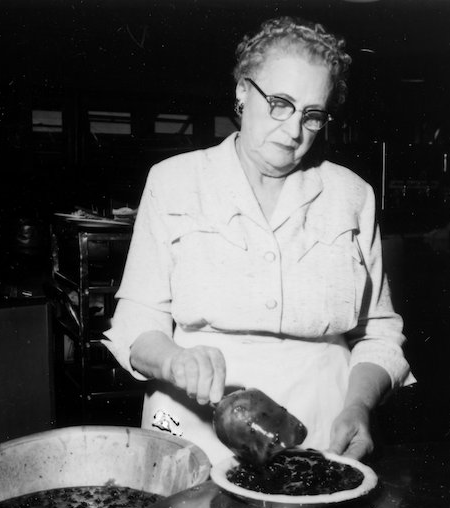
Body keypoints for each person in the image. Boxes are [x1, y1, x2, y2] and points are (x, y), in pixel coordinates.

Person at [103, 16, 415, 464]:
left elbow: (379, 333)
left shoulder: (352, 196)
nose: (294, 132)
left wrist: (358, 406)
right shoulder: (174, 181)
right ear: (242, 92)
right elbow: (138, 319)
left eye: (313, 115)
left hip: (320, 426)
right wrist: (173, 360)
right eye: (281, 104)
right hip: (194, 427)